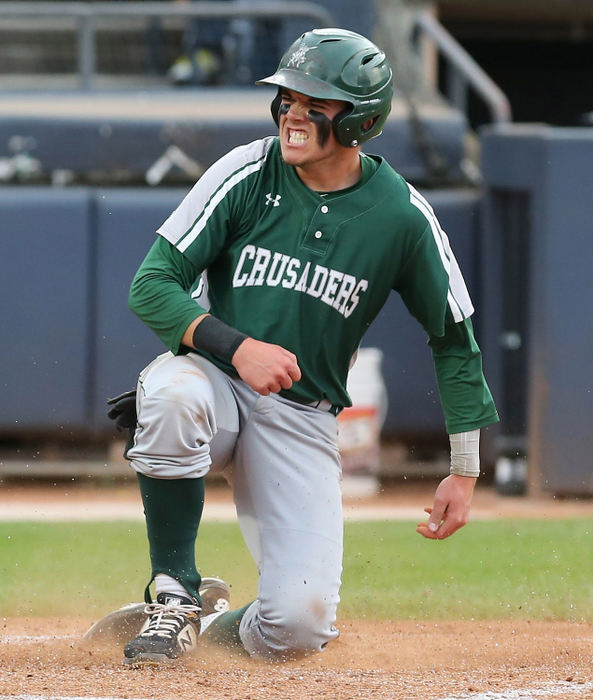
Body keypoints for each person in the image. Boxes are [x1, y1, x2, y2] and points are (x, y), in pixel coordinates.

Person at [115, 27, 499, 665]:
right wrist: (236, 349)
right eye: (287, 97)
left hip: (302, 416)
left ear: (361, 122)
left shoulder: (402, 216)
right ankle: (173, 596)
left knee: (296, 628)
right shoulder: (246, 169)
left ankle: (207, 626)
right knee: (172, 391)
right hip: (216, 386)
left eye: (315, 103)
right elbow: (151, 285)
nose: (292, 112)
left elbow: (454, 340)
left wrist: (464, 468)